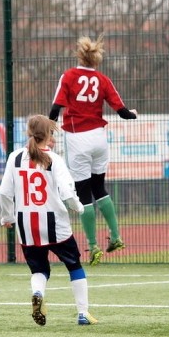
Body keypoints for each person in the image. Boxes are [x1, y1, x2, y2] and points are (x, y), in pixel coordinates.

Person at [0, 115, 97, 325]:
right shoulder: (54, 159)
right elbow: (67, 192)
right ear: (48, 135)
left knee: (39, 269)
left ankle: (37, 293)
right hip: (55, 223)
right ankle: (83, 313)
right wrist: (78, 207)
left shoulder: (14, 157)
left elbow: (4, 192)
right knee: (74, 265)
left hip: (26, 225)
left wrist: (7, 216)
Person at [48, 35, 138, 266]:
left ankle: (93, 245)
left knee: (83, 192)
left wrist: (48, 131)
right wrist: (133, 114)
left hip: (77, 137)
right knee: (100, 187)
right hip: (99, 138)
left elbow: (56, 107)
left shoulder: (69, 76)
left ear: (80, 55)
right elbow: (122, 111)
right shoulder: (102, 79)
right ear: (96, 60)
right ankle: (116, 236)